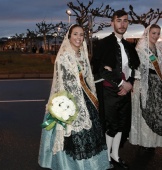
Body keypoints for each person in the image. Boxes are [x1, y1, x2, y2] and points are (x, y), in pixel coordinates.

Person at [38, 24, 110, 170]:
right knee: (74, 135)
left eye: (81, 35)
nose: (79, 37)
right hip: (70, 99)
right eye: (75, 34)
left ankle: (91, 164)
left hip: (85, 97)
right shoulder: (64, 56)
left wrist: (104, 71)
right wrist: (67, 105)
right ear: (69, 36)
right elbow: (61, 83)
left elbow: (86, 78)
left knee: (91, 133)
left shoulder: (82, 54)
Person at [91, 10, 140, 169]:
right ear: (112, 23)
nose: (122, 24)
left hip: (125, 91)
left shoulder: (128, 45)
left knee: (122, 124)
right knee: (111, 124)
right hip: (109, 91)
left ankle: (115, 155)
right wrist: (121, 83)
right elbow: (100, 69)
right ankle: (106, 158)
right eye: (119, 20)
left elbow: (133, 68)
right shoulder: (104, 44)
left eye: (125, 21)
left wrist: (130, 83)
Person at [129, 24, 162, 151]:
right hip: (145, 83)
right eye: (153, 33)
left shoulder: (158, 47)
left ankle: (153, 141)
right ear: (148, 33)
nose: (156, 36)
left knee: (156, 111)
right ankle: (144, 141)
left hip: (157, 83)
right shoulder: (141, 48)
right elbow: (138, 67)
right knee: (146, 111)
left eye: (158, 33)